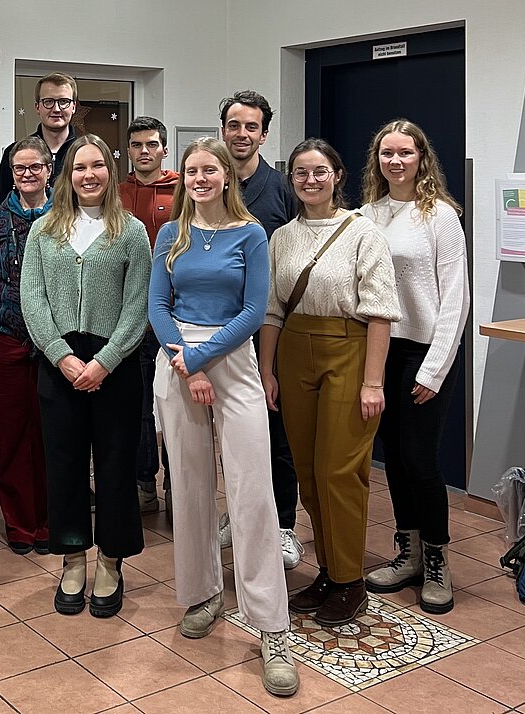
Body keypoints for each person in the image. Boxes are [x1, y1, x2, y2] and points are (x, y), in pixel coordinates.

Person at [149, 137, 298, 696]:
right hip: (176, 358)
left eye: (209, 170)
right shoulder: (170, 233)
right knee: (189, 486)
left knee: (252, 491)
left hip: (232, 360)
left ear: (227, 176)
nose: (200, 178)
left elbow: (254, 310)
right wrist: (184, 361)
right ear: (183, 177)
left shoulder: (251, 234)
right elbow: (157, 306)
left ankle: (272, 626)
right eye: (192, 170)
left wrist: (201, 359)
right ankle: (202, 592)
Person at [259, 138, 400, 627]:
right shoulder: (282, 237)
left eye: (320, 171)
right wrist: (267, 370)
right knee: (308, 470)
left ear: (338, 175)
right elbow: (272, 310)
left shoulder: (364, 233)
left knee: (339, 471)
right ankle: (328, 571)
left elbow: (380, 313)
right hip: (294, 351)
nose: (310, 180)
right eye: (301, 172)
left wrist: (373, 383)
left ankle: (350, 581)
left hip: (348, 351)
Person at [21, 134, 151, 618]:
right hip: (59, 365)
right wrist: (61, 355)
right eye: (79, 167)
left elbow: (138, 305)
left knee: (116, 467)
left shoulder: (131, 232)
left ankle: (111, 562)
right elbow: (32, 298)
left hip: (114, 366)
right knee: (65, 467)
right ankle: (73, 559)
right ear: (67, 175)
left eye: (97, 166)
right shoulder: (43, 230)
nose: (88, 175)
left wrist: (105, 361)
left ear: (109, 173)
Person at [360, 120, 469, 614]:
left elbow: (456, 299)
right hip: (380, 351)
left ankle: (437, 561)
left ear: (422, 158)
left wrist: (435, 369)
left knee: (421, 460)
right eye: (387, 153)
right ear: (377, 160)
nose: (396, 161)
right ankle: (408, 553)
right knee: (395, 459)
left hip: (425, 352)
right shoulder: (368, 215)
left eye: (405, 153)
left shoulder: (440, 216)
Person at [218, 90, 303, 568]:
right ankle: (241, 513)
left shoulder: (282, 190)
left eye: (251, 126)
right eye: (234, 125)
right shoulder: (210, 184)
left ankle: (284, 524)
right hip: (220, 329)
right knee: (233, 431)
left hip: (271, 330)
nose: (242, 134)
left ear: (264, 134)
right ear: (223, 130)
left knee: (275, 430)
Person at [0, 135, 53, 554]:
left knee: (52, 433)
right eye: (20, 168)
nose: (27, 174)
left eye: (35, 166)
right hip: (5, 338)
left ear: (49, 170)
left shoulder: (66, 216)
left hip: (57, 343)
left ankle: (50, 520)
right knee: (12, 434)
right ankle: (20, 522)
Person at [118, 116, 178, 519]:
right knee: (138, 405)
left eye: (152, 144)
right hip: (132, 314)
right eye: (137, 145)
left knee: (175, 403)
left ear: (164, 150)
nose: (144, 151)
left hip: (175, 312)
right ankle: (144, 483)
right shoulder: (116, 193)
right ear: (128, 150)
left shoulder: (182, 190)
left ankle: (176, 484)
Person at [0, 72, 78, 206]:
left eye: (64, 102)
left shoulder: (84, 152)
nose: (56, 109)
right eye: (48, 102)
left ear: (73, 107)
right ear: (37, 107)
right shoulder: (14, 152)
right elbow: (3, 206)